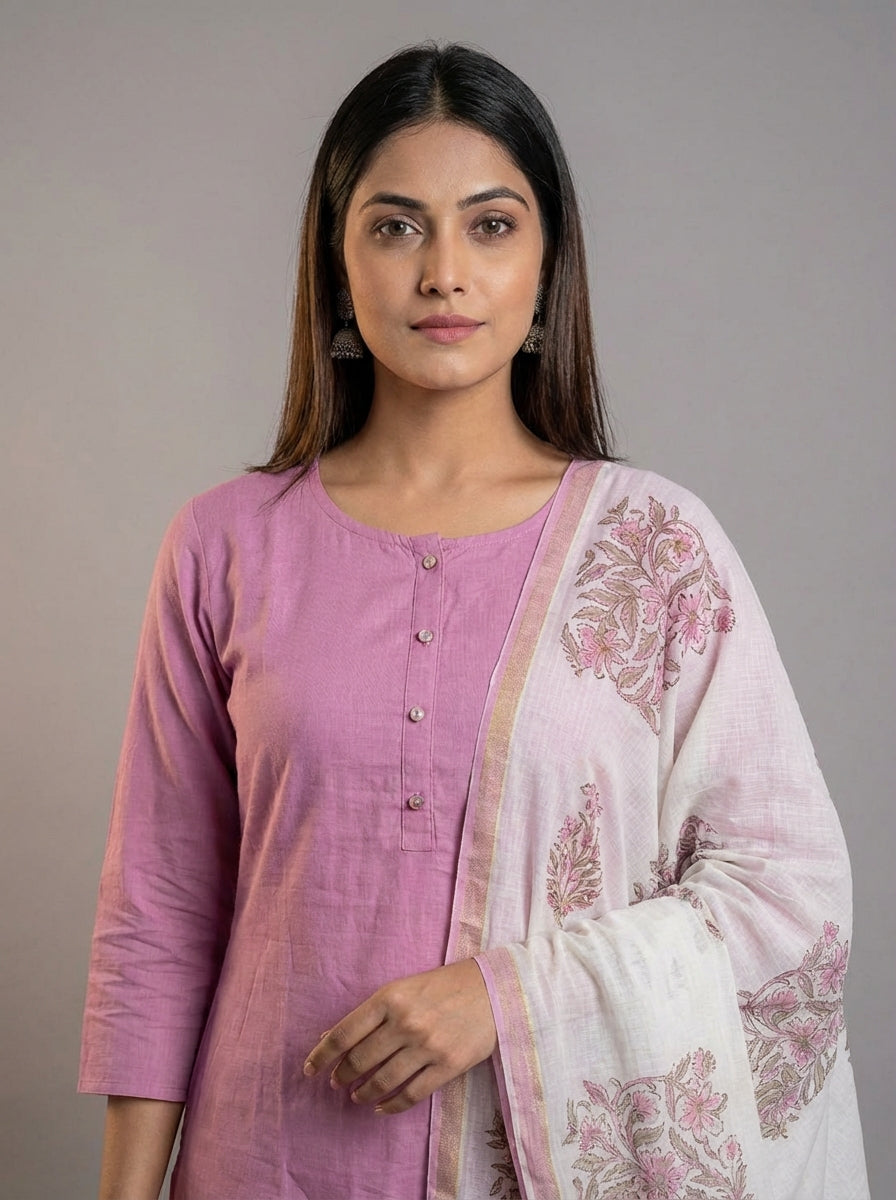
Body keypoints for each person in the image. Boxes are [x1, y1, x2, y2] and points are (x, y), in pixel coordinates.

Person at [78, 42, 868, 1200]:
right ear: (335, 262)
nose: (443, 272)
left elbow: (782, 888)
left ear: (546, 265)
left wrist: (503, 998)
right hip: (264, 1163)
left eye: (490, 226)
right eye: (395, 227)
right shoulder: (224, 543)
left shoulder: (651, 547)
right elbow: (159, 910)